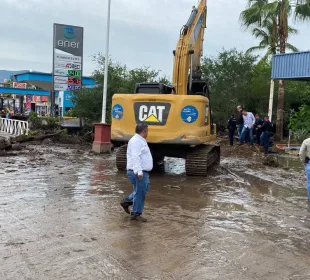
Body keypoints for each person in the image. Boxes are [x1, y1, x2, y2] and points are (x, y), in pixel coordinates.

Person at [120, 124, 153, 222]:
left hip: (141, 171)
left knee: (141, 190)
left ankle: (126, 202)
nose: (147, 133)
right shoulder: (136, 141)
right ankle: (135, 214)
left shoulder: (139, 141)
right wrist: (139, 171)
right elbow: (135, 156)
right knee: (140, 193)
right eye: (147, 131)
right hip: (139, 172)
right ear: (144, 131)